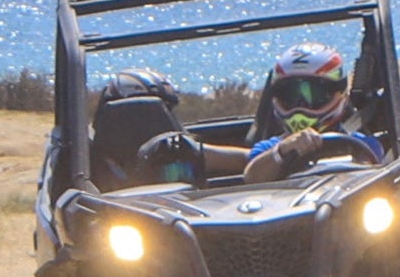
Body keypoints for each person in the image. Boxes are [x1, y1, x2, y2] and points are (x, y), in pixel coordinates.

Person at [135, 41, 382, 185]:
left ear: (338, 95)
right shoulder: (271, 147)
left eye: (312, 95)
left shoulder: (359, 143)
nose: (300, 106)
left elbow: (374, 173)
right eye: (290, 95)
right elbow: (253, 175)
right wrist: (284, 151)